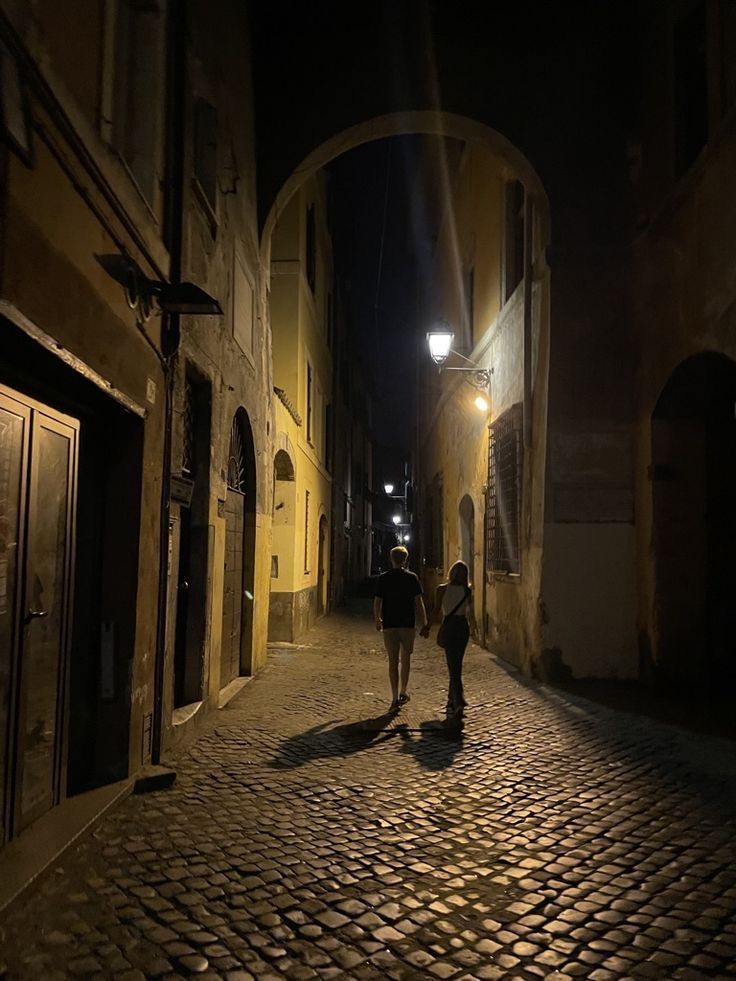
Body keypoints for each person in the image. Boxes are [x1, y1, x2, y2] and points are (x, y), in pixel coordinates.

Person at [373, 545, 428, 712]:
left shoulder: (383, 578)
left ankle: (394, 695)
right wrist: (425, 622)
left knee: (392, 661)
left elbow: (377, 601)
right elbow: (419, 602)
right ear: (405, 560)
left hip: (390, 623)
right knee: (406, 659)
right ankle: (404, 691)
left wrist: (377, 619)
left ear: (391, 559)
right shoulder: (412, 578)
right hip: (407, 624)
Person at [423, 560, 473, 719]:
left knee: (453, 665)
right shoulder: (467, 590)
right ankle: (453, 698)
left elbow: (436, 610)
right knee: (456, 663)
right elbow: (467, 609)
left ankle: (458, 702)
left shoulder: (442, 590)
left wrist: (427, 627)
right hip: (463, 626)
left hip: (450, 626)